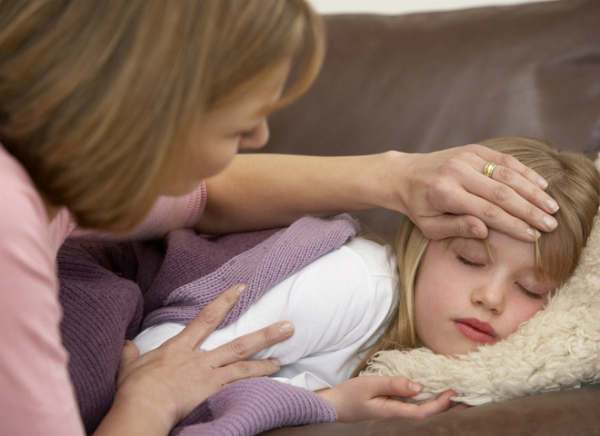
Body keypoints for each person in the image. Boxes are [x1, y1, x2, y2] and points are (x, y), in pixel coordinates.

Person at [0, 1, 561, 435]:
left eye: (534, 290)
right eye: (237, 125)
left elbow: (204, 198)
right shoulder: (11, 219)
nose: (260, 139)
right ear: (144, 100)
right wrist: (147, 402)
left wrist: (396, 176)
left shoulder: (64, 187)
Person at [133, 137, 600, 423]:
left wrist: (325, 401)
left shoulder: (438, 364)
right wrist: (324, 404)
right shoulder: (358, 283)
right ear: (423, 239)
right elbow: (159, 364)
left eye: (531, 290)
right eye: (470, 260)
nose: (491, 297)